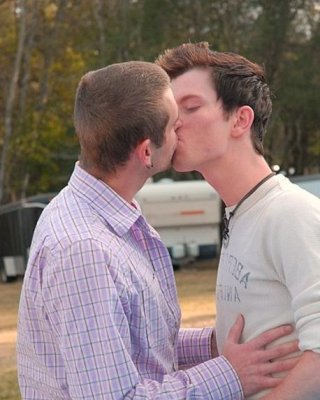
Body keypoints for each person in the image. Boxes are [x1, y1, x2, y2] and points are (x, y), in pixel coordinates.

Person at [17, 61, 298, 400]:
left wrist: (216, 344)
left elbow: (136, 344)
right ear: (147, 151)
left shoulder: (104, 215)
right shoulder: (84, 250)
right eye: (173, 123)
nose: (182, 128)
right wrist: (230, 375)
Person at [156, 42, 320, 399]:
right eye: (170, 111)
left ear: (240, 120)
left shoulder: (289, 213)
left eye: (191, 107)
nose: (174, 123)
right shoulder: (242, 214)